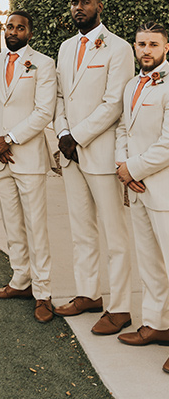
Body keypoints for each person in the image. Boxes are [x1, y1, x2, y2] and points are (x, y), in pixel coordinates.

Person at [53, 0, 134, 335]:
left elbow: (114, 103)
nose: (79, 8)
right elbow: (59, 97)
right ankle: (88, 294)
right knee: (81, 229)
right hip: (71, 154)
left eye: (85, 2)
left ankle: (120, 307)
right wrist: (61, 135)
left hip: (99, 154)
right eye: (74, 3)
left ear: (100, 5)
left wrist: (77, 136)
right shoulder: (66, 47)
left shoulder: (119, 48)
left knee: (115, 235)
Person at [0, 11, 57, 323]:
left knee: (36, 227)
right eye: (10, 26)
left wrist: (9, 139)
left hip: (27, 156)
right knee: (12, 223)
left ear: (30, 32)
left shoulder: (44, 64)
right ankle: (20, 281)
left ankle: (43, 292)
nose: (13, 31)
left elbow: (44, 111)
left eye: (20, 27)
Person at [115, 21, 169, 372]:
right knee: (149, 262)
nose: (146, 50)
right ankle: (157, 324)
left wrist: (132, 169)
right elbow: (123, 128)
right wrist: (122, 164)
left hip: (163, 188)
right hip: (137, 188)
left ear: (167, 47)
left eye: (153, 44)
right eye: (140, 44)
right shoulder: (132, 84)